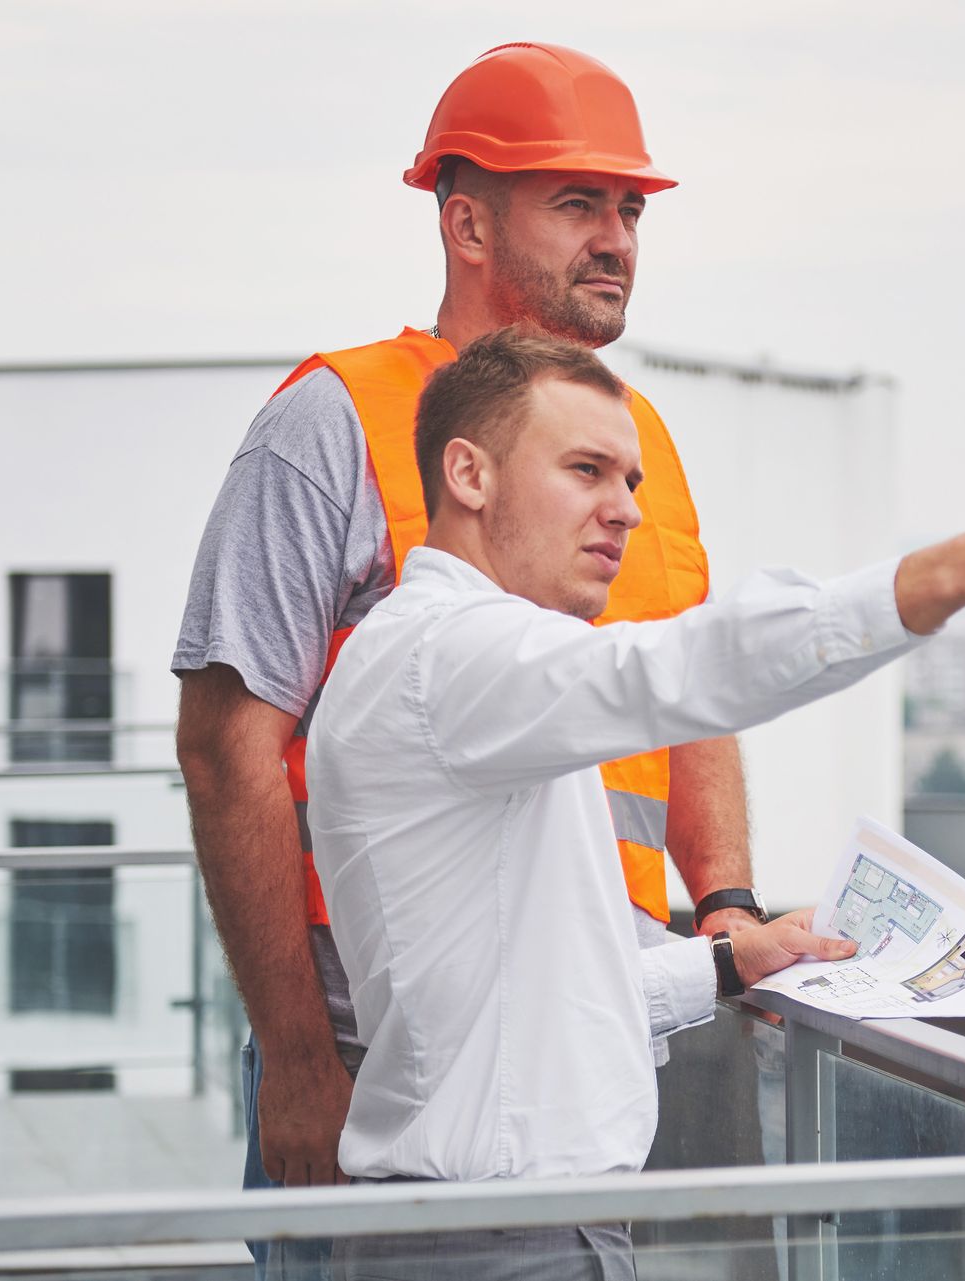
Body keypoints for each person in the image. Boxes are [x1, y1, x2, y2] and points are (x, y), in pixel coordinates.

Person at [307, 328, 965, 1280]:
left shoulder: (452, 670)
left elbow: (540, 1008)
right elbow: (676, 667)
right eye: (588, 469)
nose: (625, 511)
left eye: (632, 481)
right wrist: (945, 574)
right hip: (497, 1243)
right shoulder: (453, 657)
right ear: (468, 474)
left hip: (505, 1230)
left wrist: (731, 961)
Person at [170, 42, 766, 1280]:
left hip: (596, 1003)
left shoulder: (626, 437)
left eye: (631, 208)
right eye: (576, 203)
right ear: (464, 222)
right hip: (380, 1019)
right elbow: (228, 747)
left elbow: (693, 690)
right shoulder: (329, 424)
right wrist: (294, 1054)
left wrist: (729, 911)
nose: (617, 237)